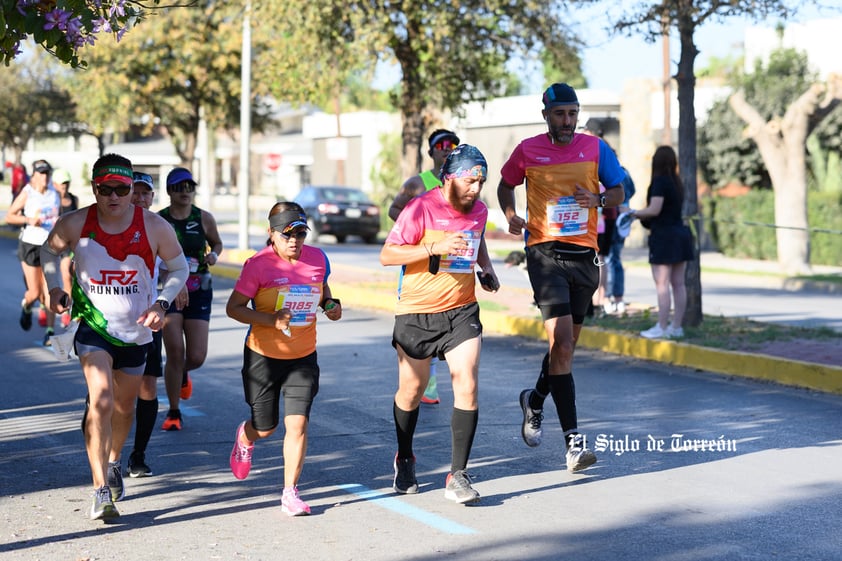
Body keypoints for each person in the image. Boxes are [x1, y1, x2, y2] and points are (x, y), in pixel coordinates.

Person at [40, 153, 188, 520]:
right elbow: (48, 249)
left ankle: (114, 462)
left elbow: (179, 266)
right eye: (105, 189)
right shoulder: (75, 223)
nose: (114, 197)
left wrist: (162, 302)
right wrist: (55, 288)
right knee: (102, 400)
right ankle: (100, 491)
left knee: (124, 408)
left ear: (131, 189)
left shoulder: (154, 226)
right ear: (95, 188)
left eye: (121, 189)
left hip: (137, 332)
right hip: (93, 326)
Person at [497, 83, 626, 473]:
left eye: (572, 113)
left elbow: (619, 191)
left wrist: (599, 200)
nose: (567, 121)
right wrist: (509, 214)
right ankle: (573, 444)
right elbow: (505, 183)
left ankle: (534, 400)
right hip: (544, 253)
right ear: (546, 116)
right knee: (563, 342)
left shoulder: (596, 149)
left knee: (564, 350)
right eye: (560, 114)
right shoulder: (528, 150)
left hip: (585, 258)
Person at [381, 144, 498, 505]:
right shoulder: (421, 207)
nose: (475, 189)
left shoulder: (479, 209)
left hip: (461, 310)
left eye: (480, 181)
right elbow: (388, 254)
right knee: (411, 392)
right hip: (417, 312)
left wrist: (486, 268)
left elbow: (475, 241)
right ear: (448, 178)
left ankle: (458, 474)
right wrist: (434, 247)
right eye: (468, 181)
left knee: (467, 382)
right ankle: (404, 456)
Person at [226, 202, 342, 517]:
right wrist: (269, 319)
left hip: (303, 357)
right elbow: (233, 308)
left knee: (298, 424)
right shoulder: (258, 265)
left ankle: (290, 492)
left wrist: (331, 305)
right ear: (272, 234)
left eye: (301, 233)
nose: (295, 240)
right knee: (266, 427)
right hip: (263, 357)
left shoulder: (318, 258)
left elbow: (323, 291)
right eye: (287, 234)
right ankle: (245, 436)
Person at [388, 128, 461, 405]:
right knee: (420, 318)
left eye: (452, 144)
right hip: (421, 260)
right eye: (440, 145)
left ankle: (428, 380)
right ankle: (424, 383)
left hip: (452, 263)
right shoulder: (418, 183)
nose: (446, 148)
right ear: (430, 152)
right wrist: (416, 232)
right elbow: (394, 209)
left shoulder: (461, 182)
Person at [126, 172, 187, 477]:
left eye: (144, 193)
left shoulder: (157, 227)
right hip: (107, 323)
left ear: (152, 197)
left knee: (148, 386)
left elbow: (172, 266)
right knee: (107, 393)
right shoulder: (110, 225)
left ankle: (138, 455)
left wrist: (175, 286)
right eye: (133, 192)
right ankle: (103, 451)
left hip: (148, 320)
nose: (139, 199)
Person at [158, 167, 223, 431]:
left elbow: (216, 243)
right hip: (169, 292)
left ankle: (180, 372)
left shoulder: (203, 218)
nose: (185, 192)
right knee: (174, 350)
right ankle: (174, 412)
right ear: (169, 191)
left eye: (189, 187)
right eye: (179, 187)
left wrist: (214, 256)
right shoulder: (159, 220)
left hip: (199, 288)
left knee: (195, 356)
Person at [631, 145, 694, 339]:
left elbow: (654, 210)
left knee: (662, 284)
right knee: (679, 284)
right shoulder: (676, 182)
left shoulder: (659, 182)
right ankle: (676, 327)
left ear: (656, 163)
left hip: (664, 237)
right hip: (681, 235)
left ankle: (662, 326)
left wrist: (632, 214)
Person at [5, 159, 61, 346]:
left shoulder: (55, 192)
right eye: (41, 173)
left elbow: (59, 216)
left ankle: (50, 332)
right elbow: (9, 216)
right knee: (35, 292)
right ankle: (26, 305)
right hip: (30, 244)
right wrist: (29, 220)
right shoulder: (28, 192)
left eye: (47, 173)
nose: (45, 177)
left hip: (49, 246)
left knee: (50, 290)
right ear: (34, 175)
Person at [606, 169, 636, 314]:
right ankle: (618, 298)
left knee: (608, 260)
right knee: (615, 259)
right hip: (621, 221)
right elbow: (632, 190)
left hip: (610, 221)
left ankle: (610, 298)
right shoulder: (624, 173)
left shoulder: (608, 172)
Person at [53, 168, 79, 329]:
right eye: (62, 184)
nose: (64, 187)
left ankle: (68, 311)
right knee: (51, 282)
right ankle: (47, 307)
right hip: (54, 243)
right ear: (55, 184)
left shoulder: (74, 199)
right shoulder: (51, 201)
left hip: (70, 244)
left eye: (67, 183)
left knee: (67, 274)